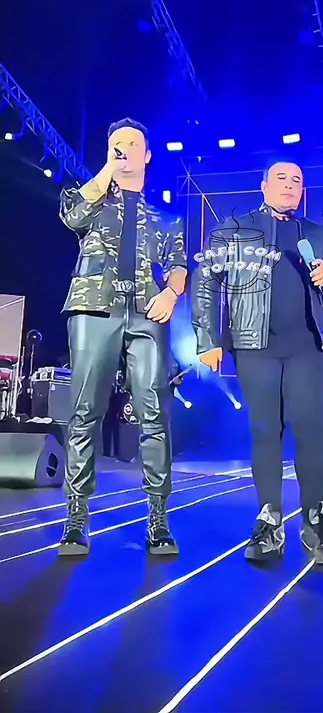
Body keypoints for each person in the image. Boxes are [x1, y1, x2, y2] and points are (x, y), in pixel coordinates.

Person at [191, 160, 323, 565]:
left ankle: (316, 519)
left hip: (306, 347)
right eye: (281, 178)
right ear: (263, 186)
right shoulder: (235, 230)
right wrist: (207, 338)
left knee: (311, 430)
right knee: (265, 431)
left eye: (297, 180)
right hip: (253, 345)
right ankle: (269, 520)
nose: (290, 185)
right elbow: (204, 280)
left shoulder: (317, 234)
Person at [58, 118, 187, 556]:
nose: (124, 148)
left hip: (147, 313)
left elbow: (179, 264)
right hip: (94, 308)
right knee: (84, 411)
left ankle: (158, 519)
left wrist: (172, 292)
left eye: (133, 143)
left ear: (147, 155)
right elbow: (72, 215)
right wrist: (107, 171)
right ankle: (76, 519)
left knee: (154, 414)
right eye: (117, 143)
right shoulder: (93, 199)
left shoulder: (166, 217)